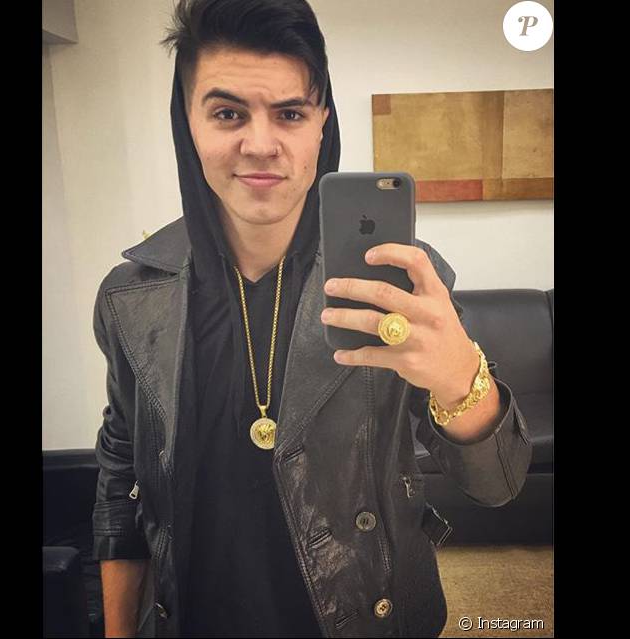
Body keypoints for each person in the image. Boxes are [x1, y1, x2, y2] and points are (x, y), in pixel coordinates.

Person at [91, 1, 533, 637]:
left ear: (323, 122)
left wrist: (461, 375)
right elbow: (120, 479)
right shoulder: (133, 298)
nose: (260, 144)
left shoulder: (402, 280)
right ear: (187, 122)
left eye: (290, 113)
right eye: (227, 113)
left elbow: (498, 485)